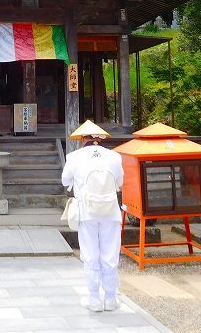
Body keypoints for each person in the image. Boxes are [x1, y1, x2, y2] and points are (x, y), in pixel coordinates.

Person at [61, 120, 124, 312]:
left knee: (90, 254)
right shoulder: (114, 157)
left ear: (82, 139)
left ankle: (94, 299)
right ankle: (111, 298)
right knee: (110, 253)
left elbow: (65, 180)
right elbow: (120, 182)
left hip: (87, 211)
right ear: (100, 138)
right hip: (111, 210)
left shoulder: (74, 157)